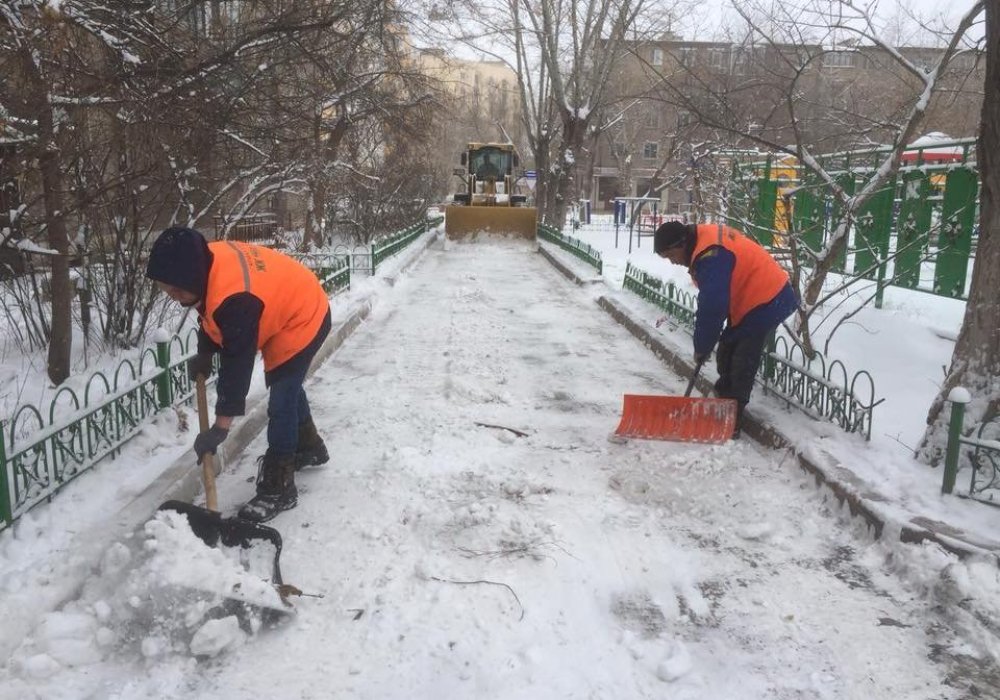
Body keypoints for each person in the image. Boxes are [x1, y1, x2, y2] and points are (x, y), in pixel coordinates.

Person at [146, 227, 332, 522]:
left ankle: (280, 487)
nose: (173, 297)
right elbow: (209, 310)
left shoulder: (235, 298)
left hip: (304, 315)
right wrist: (205, 351)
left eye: (178, 291)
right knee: (288, 385)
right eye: (167, 290)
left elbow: (238, 364)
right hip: (290, 299)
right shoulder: (207, 262)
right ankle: (309, 446)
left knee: (282, 397)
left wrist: (220, 427)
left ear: (193, 276)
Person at [653, 220, 798, 437]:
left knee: (742, 357)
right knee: (727, 349)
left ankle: (731, 420)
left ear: (680, 245)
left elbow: (712, 306)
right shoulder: (702, 243)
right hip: (750, 297)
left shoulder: (711, 256)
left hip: (768, 297)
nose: (673, 263)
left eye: (671, 256)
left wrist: (702, 346)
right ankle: (721, 401)